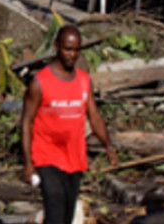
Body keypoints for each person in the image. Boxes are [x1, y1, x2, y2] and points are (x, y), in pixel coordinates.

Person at [21, 26, 119, 224]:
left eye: (76, 50)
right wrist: (28, 164)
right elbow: (26, 123)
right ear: (57, 47)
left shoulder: (83, 81)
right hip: (47, 157)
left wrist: (108, 146)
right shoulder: (40, 83)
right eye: (67, 49)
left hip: (74, 158)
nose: (72, 54)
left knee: (66, 216)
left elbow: (95, 116)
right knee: (55, 210)